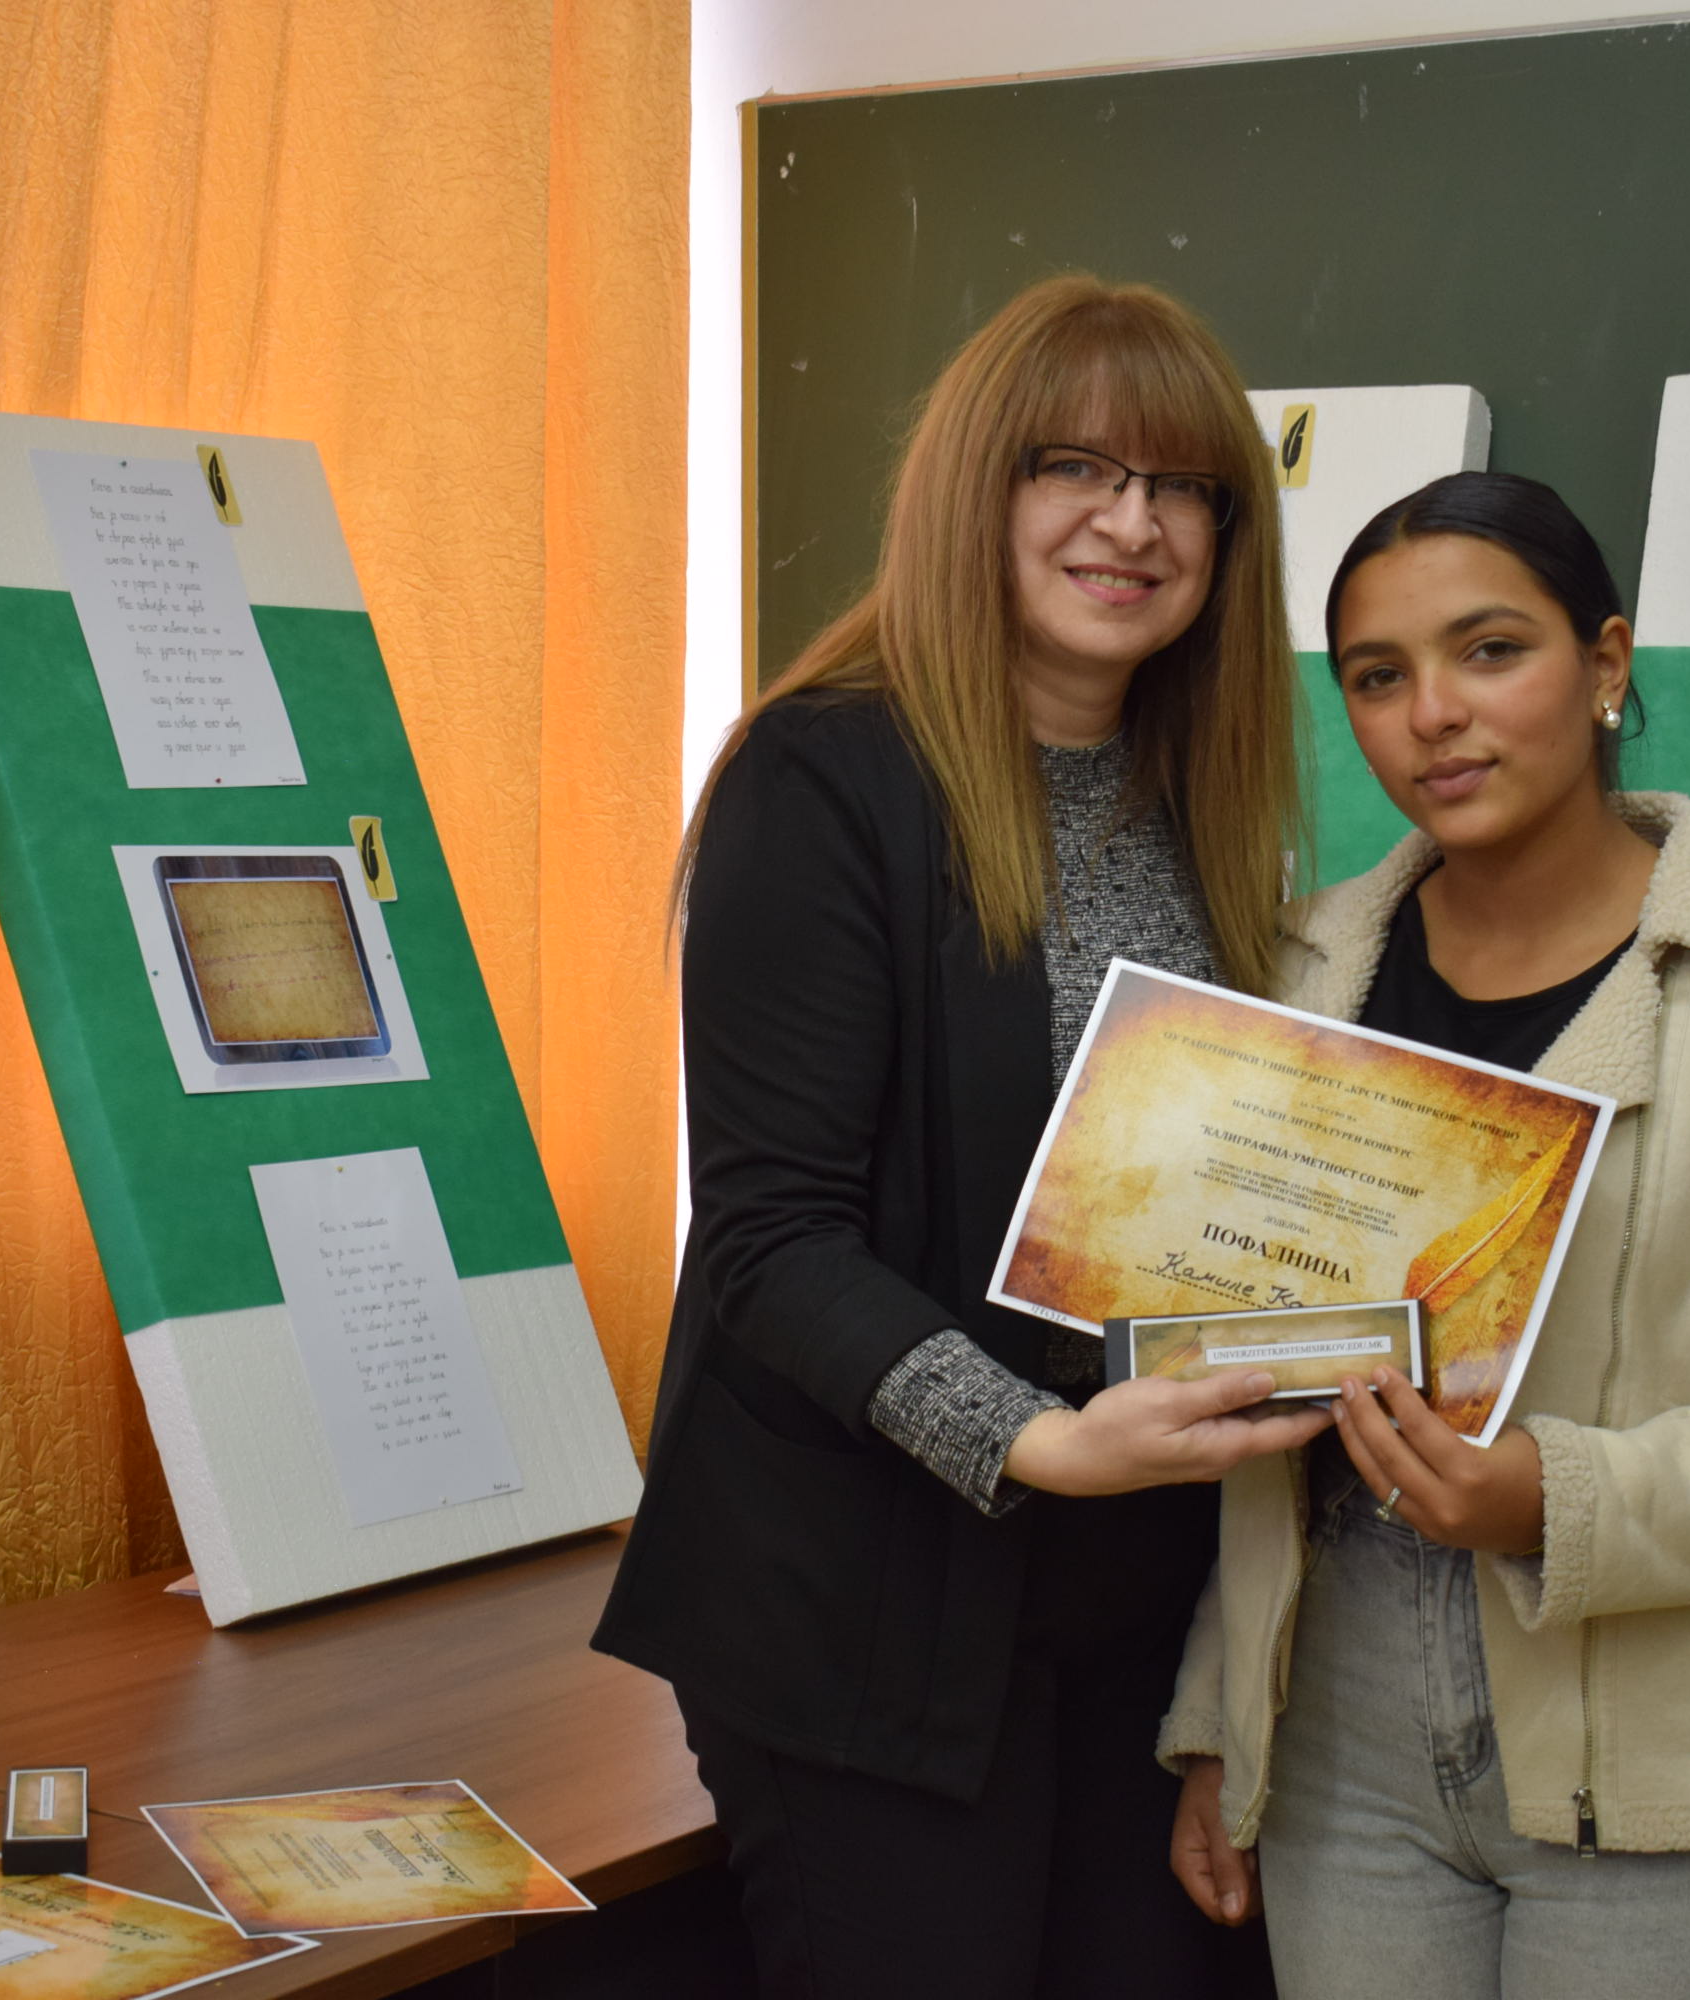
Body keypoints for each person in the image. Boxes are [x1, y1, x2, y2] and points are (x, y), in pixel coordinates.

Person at [592, 275, 1331, 2000]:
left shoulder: (1204, 805)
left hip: (1130, 1600)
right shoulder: (822, 779)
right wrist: (1036, 1442)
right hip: (864, 1609)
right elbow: (773, 1241)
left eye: (1184, 488)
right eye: (1075, 468)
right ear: (973, 489)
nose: (1133, 525)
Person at [1159, 471, 1690, 1999]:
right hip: (1335, 1743)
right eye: (1378, 676)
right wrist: (1222, 1723)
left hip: (1661, 1751)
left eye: (1490, 651)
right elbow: (1257, 1399)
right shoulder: (1298, 978)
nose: (1433, 715)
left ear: (1605, 664)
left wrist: (1552, 1498)